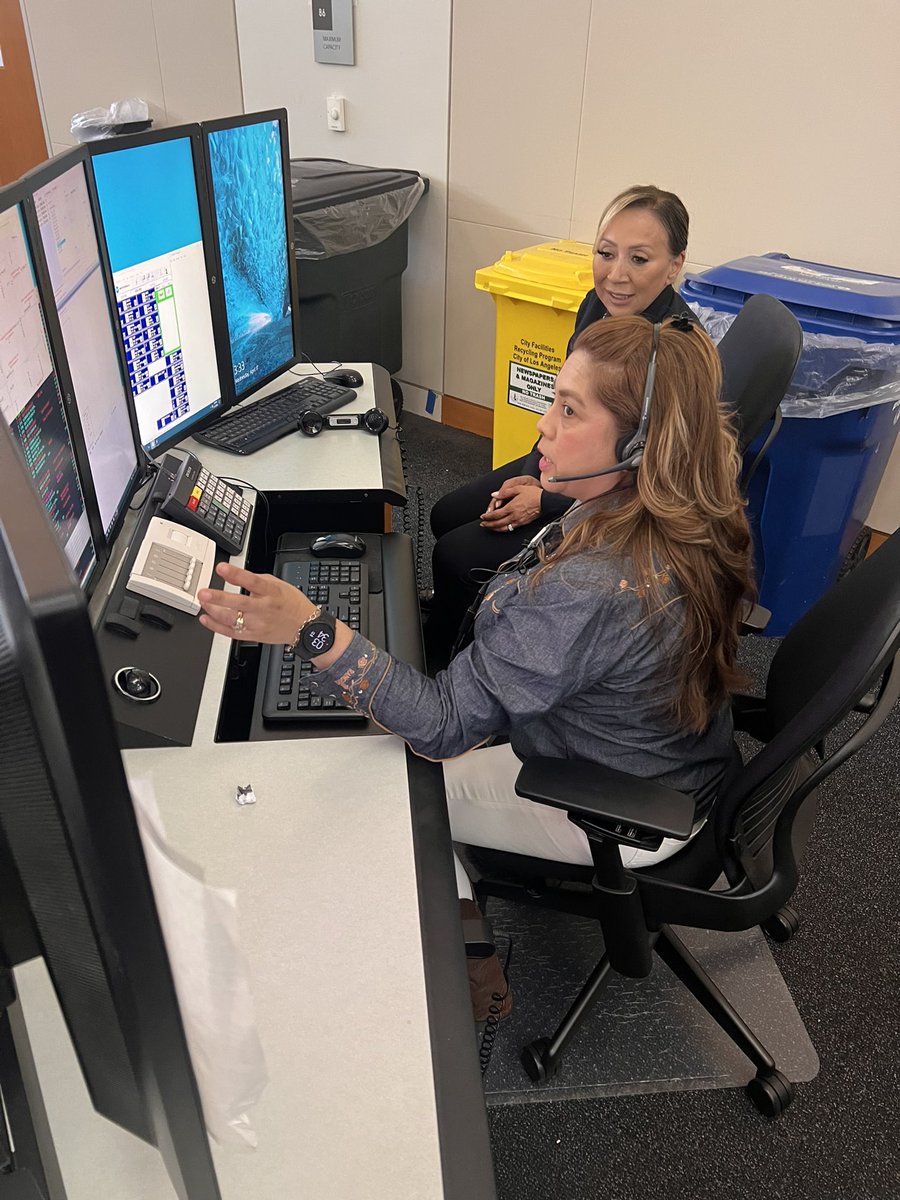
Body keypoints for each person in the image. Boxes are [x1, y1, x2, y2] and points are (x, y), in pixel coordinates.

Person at [197, 315, 753, 904]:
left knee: (383, 793)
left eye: (569, 411)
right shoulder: (680, 503)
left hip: (618, 800)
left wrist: (309, 628)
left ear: (639, 443)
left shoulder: (595, 586)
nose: (543, 426)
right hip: (667, 758)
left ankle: (473, 967)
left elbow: (441, 726)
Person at [424, 184, 697, 667]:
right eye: (605, 253)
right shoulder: (600, 306)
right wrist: (535, 471)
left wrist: (546, 498)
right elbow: (564, 411)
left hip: (620, 507)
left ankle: (455, 664)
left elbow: (652, 482)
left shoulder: (669, 356)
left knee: (456, 556)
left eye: (640, 260)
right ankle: (462, 615)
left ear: (675, 265)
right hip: (571, 468)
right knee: (447, 513)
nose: (616, 276)